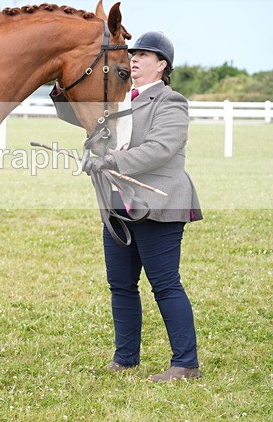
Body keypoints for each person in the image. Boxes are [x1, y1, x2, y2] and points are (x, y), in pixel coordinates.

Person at [83, 31, 203, 382]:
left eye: (144, 55)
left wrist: (113, 161)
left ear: (162, 64)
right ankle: (125, 358)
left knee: (165, 284)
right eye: (133, 55)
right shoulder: (120, 102)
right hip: (118, 205)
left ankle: (186, 364)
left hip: (159, 204)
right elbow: (103, 142)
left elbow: (159, 148)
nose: (134, 59)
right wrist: (96, 155)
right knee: (120, 284)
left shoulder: (172, 102)